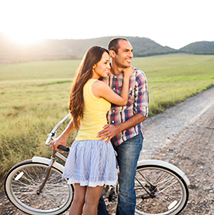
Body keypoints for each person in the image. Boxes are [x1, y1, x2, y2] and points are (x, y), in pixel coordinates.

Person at [50, 46, 134, 215]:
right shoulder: (99, 86)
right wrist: (126, 77)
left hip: (80, 147)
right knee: (91, 203)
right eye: (105, 63)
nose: (108, 66)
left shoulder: (81, 86)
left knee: (78, 200)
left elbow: (77, 118)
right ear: (94, 64)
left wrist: (63, 136)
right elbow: (123, 100)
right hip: (98, 146)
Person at [97, 38, 149, 215]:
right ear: (113, 53)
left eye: (131, 51)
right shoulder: (100, 75)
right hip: (102, 138)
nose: (131, 55)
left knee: (126, 190)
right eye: (126, 51)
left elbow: (142, 112)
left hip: (129, 138)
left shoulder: (138, 76)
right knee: (93, 187)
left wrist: (117, 129)